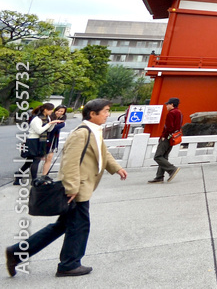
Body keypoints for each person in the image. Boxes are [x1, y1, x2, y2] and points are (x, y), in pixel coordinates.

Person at [6, 99, 127, 277]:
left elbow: (103, 153)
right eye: (106, 111)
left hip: (81, 186)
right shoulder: (81, 133)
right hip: (77, 188)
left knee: (63, 225)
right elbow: (70, 162)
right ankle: (69, 264)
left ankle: (17, 253)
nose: (108, 114)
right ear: (92, 114)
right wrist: (71, 188)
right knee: (80, 226)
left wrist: (116, 168)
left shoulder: (94, 131)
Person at [18, 103, 57, 184]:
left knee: (29, 162)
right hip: (33, 140)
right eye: (50, 110)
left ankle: (18, 176)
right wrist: (49, 124)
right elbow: (39, 131)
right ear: (45, 110)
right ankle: (34, 181)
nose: (52, 111)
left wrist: (53, 124)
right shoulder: (36, 119)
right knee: (36, 160)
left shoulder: (48, 118)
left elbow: (48, 130)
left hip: (40, 141)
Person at [149, 97, 183, 183]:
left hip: (167, 137)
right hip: (173, 138)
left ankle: (172, 169)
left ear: (172, 104)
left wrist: (164, 136)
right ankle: (159, 176)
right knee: (164, 157)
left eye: (167, 104)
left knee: (158, 156)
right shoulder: (179, 113)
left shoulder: (171, 113)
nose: (166, 106)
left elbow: (169, 127)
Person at [41, 105, 68, 176]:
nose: (59, 112)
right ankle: (25, 173)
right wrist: (61, 124)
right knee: (38, 158)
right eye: (58, 110)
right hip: (44, 139)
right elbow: (50, 128)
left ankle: (44, 176)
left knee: (49, 158)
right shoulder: (49, 117)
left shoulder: (62, 119)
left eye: (61, 111)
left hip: (53, 140)